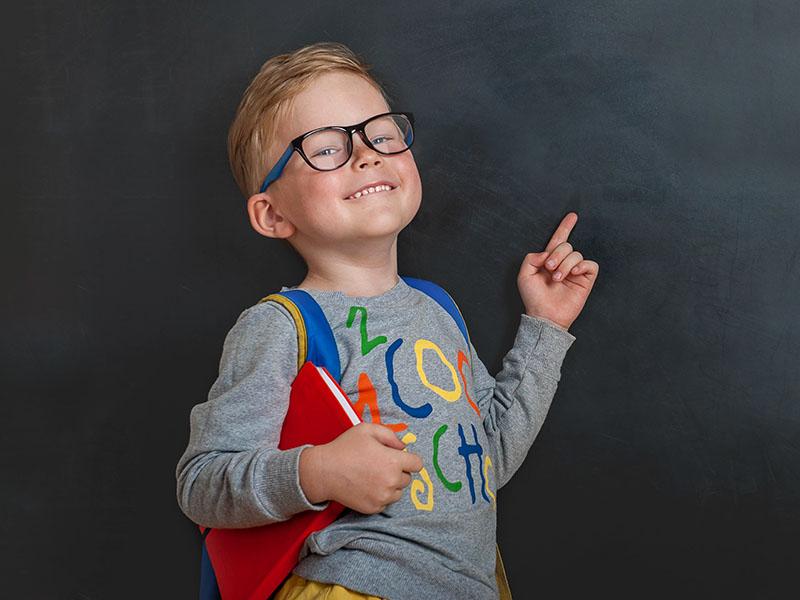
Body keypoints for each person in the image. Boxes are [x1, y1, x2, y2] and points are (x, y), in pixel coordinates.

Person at [175, 41, 599, 600]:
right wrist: (318, 472)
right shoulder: (282, 326)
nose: (366, 154)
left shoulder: (437, 308)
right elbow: (202, 483)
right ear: (272, 214)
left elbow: (487, 461)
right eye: (326, 147)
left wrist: (545, 327)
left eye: (381, 133)